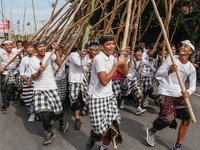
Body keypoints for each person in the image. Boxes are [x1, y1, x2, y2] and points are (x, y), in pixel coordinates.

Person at [146, 40, 196, 150]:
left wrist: (189, 92)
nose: (182, 47)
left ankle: (178, 146)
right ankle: (152, 130)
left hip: (179, 94)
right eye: (182, 45)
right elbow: (158, 73)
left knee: (186, 119)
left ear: (190, 52)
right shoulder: (171, 59)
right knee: (168, 120)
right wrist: (168, 71)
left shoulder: (191, 68)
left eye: (185, 46)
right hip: (165, 91)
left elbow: (193, 86)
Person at [85, 34, 128, 150]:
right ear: (102, 47)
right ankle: (94, 134)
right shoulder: (99, 58)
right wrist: (117, 65)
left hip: (109, 96)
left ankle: (103, 147)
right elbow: (104, 81)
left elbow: (125, 72)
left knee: (113, 126)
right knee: (101, 131)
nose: (111, 46)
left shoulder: (113, 58)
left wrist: (123, 60)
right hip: (96, 97)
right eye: (108, 44)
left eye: (113, 43)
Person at [29, 40, 68, 145]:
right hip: (39, 89)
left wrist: (56, 52)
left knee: (58, 111)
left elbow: (59, 64)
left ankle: (61, 124)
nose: (42, 48)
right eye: (40, 47)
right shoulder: (32, 60)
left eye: (44, 46)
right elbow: (34, 78)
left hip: (51, 87)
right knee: (42, 114)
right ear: (36, 49)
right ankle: (48, 132)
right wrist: (39, 71)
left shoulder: (49, 55)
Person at [123, 47, 156, 114]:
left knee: (138, 93)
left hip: (135, 79)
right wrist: (127, 65)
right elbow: (123, 67)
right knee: (125, 93)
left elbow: (149, 65)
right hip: (128, 79)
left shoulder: (142, 60)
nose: (139, 53)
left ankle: (138, 108)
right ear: (134, 53)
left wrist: (156, 71)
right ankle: (122, 100)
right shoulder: (130, 60)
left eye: (141, 52)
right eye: (138, 52)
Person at [68, 45, 92, 130]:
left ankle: (84, 110)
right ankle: (77, 119)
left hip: (83, 81)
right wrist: (90, 60)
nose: (85, 53)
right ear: (79, 50)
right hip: (74, 81)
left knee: (85, 97)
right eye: (84, 51)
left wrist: (90, 68)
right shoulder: (73, 55)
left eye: (86, 51)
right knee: (75, 100)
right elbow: (79, 63)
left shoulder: (84, 58)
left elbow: (85, 69)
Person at [0, 40, 20, 114]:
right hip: (4, 73)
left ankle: (6, 101)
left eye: (10, 45)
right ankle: (4, 103)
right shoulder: (1, 54)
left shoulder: (16, 53)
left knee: (10, 89)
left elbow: (18, 61)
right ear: (4, 46)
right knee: (3, 88)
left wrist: (19, 57)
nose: (8, 47)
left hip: (13, 73)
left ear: (12, 45)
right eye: (7, 45)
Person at [19, 41, 35, 122]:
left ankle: (38, 113)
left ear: (34, 48)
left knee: (37, 97)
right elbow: (22, 71)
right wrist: (27, 81)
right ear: (25, 50)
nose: (30, 49)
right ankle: (32, 112)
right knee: (27, 97)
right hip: (28, 80)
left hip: (37, 80)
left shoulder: (37, 57)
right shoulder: (24, 59)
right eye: (27, 48)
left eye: (31, 47)